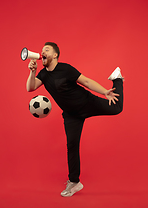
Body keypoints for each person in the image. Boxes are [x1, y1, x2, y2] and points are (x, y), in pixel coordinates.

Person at [26, 42, 124, 197]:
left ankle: (117, 78)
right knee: (72, 146)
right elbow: (30, 88)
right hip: (71, 115)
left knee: (117, 108)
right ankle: (74, 182)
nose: (42, 52)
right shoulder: (43, 74)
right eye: (42, 49)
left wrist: (105, 91)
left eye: (47, 49)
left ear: (55, 55)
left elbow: (86, 82)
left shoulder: (66, 68)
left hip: (87, 103)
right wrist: (33, 72)